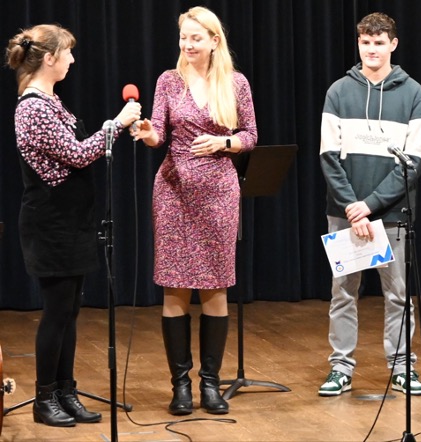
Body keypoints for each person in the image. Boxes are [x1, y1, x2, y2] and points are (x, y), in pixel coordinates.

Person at [6, 24, 141, 426]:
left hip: (71, 222)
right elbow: (77, 154)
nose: (72, 59)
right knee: (56, 311)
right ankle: (44, 397)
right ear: (49, 58)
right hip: (50, 225)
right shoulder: (32, 107)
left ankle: (67, 390)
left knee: (70, 310)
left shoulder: (51, 102)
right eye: (67, 52)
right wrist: (116, 123)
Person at [131, 6, 257, 415]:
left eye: (195, 38)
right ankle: (180, 386)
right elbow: (159, 134)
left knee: (215, 286)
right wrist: (149, 134)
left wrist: (224, 144)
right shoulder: (169, 81)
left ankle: (210, 385)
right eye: (184, 38)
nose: (187, 45)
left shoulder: (236, 83)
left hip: (219, 191)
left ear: (214, 41)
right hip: (173, 190)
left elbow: (251, 135)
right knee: (175, 286)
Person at [318, 12, 421, 397]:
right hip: (344, 215)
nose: (372, 49)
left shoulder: (413, 93)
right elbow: (329, 157)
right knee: (343, 293)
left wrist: (371, 205)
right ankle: (340, 368)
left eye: (379, 42)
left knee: (397, 295)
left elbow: (413, 162)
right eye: (366, 42)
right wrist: (353, 207)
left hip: (393, 215)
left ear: (393, 45)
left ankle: (401, 367)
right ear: (359, 44)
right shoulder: (338, 91)